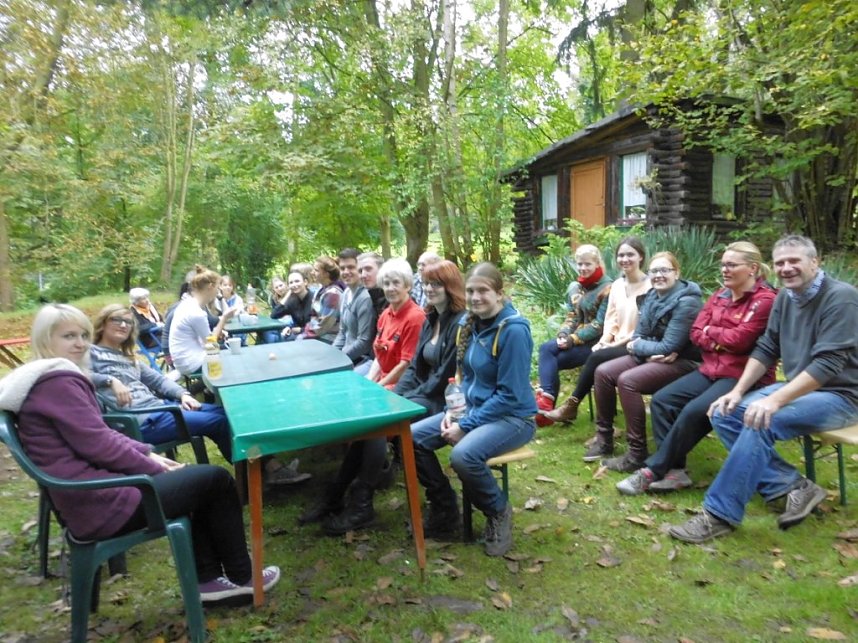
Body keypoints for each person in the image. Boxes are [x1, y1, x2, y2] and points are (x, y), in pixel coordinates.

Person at [0, 304, 280, 603]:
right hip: (102, 503)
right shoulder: (58, 382)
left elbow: (100, 435)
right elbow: (99, 445)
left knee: (196, 482)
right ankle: (242, 576)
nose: (80, 343)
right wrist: (152, 466)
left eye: (83, 334)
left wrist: (148, 454)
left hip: (92, 498)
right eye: (68, 336)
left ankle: (209, 582)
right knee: (216, 481)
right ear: (45, 340)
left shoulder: (47, 379)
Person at [669, 235, 858, 543]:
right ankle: (793, 486)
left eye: (794, 261)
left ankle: (718, 515)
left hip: (842, 396)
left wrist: (775, 401)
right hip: (801, 389)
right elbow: (768, 347)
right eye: (781, 262)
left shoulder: (841, 297)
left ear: (815, 262)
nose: (786, 268)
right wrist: (737, 391)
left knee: (759, 420)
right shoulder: (785, 297)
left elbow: (828, 365)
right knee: (724, 412)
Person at [616, 242, 777, 495]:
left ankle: (652, 471)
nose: (724, 269)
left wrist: (712, 333)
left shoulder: (764, 301)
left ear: (752, 268)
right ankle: (676, 471)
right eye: (723, 264)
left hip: (742, 375)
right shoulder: (719, 296)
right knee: (662, 400)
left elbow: (740, 341)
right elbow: (695, 334)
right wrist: (719, 337)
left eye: (732, 265)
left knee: (693, 411)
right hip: (711, 368)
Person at [411, 263, 537, 556]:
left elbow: (509, 396)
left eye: (483, 291)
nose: (476, 297)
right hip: (474, 412)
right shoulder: (469, 324)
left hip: (513, 418)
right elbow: (462, 380)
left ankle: (498, 511)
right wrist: (450, 412)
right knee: (412, 437)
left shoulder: (513, 331)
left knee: (464, 456)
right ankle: (444, 507)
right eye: (470, 291)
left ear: (499, 294)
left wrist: (465, 425)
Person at [310, 259, 428, 536]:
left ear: (409, 286)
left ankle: (358, 501)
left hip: (406, 386)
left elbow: (405, 364)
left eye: (396, 283)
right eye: (386, 283)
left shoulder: (415, 317)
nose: (390, 288)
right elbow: (379, 356)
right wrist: (369, 382)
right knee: (358, 408)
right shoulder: (386, 314)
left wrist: (377, 387)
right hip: (385, 381)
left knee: (372, 421)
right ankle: (339, 494)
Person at [589, 252, 703, 470]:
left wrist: (642, 346)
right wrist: (646, 349)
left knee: (628, 381)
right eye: (654, 271)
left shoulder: (688, 302)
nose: (658, 275)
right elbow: (638, 337)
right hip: (653, 357)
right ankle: (604, 440)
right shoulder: (651, 296)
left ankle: (636, 453)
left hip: (683, 363)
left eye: (665, 270)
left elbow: (669, 348)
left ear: (676, 273)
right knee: (603, 372)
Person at [89, 304, 234, 462]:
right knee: (218, 423)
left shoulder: (128, 357)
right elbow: (73, 373)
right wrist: (110, 380)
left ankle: (252, 468)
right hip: (140, 422)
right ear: (103, 323)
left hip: (160, 409)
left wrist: (183, 394)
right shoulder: (91, 352)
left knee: (225, 413)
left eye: (128, 322)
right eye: (116, 320)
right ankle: (248, 478)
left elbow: (159, 380)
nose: (123, 325)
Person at [541, 237, 650, 425]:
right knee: (548, 350)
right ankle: (547, 405)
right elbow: (611, 320)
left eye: (630, 255)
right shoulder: (617, 285)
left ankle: (572, 405)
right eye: (621, 255)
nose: (625, 259)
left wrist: (606, 343)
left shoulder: (649, 287)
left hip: (635, 342)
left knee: (596, 357)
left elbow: (644, 326)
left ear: (640, 256)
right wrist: (604, 340)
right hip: (612, 341)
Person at [534, 244, 612, 426]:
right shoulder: (575, 287)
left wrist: (573, 339)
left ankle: (546, 411)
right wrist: (563, 333)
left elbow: (599, 325)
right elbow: (572, 316)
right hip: (574, 341)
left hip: (596, 344)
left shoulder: (608, 288)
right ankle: (548, 406)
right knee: (547, 350)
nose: (583, 268)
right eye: (580, 264)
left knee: (550, 362)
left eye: (588, 264)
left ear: (597, 264)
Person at [169, 266, 237, 376]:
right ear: (210, 287)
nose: (219, 291)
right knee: (234, 362)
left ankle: (205, 390)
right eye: (218, 287)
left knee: (226, 353)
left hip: (182, 360)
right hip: (191, 363)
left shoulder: (188, 303)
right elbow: (211, 345)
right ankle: (203, 390)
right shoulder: (196, 312)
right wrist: (224, 318)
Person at [333, 248, 376, 369]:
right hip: (345, 355)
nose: (346, 272)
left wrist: (339, 359)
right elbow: (342, 332)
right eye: (342, 268)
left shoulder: (366, 298)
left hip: (361, 359)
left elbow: (364, 342)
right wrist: (332, 354)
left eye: (351, 267)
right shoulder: (346, 293)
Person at [299, 256, 343, 343]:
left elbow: (324, 325)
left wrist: (303, 335)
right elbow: (314, 317)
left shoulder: (332, 294)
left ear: (326, 274)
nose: (312, 272)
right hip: (317, 335)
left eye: (316, 270)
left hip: (328, 339)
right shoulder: (321, 289)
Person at [278, 271, 314, 342]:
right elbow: (275, 314)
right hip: (297, 334)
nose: (294, 285)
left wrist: (300, 329)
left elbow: (318, 325)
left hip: (312, 336)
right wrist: (288, 294)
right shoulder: (292, 301)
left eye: (297, 281)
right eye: (291, 283)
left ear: (305, 282)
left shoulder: (314, 299)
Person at [358, 252, 387, 318]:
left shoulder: (394, 300)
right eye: (360, 271)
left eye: (368, 269)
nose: (363, 275)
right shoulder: (362, 298)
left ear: (381, 270)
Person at [264, 276, 290, 343]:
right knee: (265, 330)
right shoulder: (274, 298)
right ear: (274, 289)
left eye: (281, 285)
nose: (279, 288)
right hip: (278, 322)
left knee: (271, 333)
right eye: (276, 287)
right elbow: (274, 314)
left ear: (285, 283)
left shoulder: (292, 295)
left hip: (289, 322)